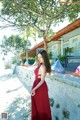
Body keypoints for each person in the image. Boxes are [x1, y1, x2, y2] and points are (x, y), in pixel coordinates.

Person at [31, 49, 52, 120]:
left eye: (41, 57)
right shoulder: (41, 65)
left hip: (40, 87)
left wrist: (34, 89)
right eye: (38, 57)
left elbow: (42, 80)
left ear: (44, 57)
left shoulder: (43, 67)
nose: (39, 59)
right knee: (38, 105)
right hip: (37, 86)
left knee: (41, 106)